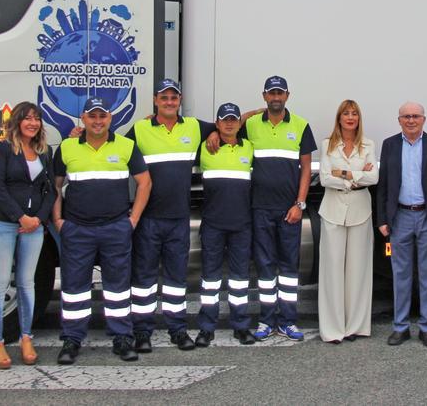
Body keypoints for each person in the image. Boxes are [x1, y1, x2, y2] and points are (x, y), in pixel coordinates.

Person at [51, 97, 152, 365]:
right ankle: (72, 339)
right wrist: (59, 220)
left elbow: (145, 183)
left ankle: (121, 338)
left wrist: (133, 220)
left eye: (102, 116)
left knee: (118, 288)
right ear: (83, 118)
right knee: (74, 288)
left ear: (110, 118)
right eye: (92, 116)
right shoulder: (67, 147)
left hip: (115, 228)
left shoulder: (126, 146)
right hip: (78, 229)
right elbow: (55, 187)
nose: (97, 121)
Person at [123, 79, 216, 352]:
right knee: (144, 281)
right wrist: (78, 133)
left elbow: (228, 127)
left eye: (173, 98)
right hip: (149, 219)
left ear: (180, 100)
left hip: (178, 218)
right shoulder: (140, 129)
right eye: (164, 98)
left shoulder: (194, 127)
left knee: (176, 280)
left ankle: (178, 330)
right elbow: (112, 148)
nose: (169, 102)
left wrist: (212, 134)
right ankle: (142, 332)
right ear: (155, 100)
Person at [240, 76, 316, 341]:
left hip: (289, 211)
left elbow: (306, 168)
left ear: (287, 95)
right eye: (271, 93)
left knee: (288, 268)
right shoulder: (250, 125)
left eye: (280, 93)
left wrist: (300, 204)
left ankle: (287, 321)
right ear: (264, 96)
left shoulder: (301, 125)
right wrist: (252, 112)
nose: (276, 97)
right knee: (264, 268)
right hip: (259, 208)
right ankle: (266, 320)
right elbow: (226, 127)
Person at [376, 102, 427, 348]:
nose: (411, 120)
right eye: (406, 116)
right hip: (400, 218)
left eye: (415, 116)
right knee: (401, 275)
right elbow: (383, 186)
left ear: (424, 119)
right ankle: (400, 327)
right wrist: (383, 219)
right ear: (399, 120)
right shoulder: (390, 145)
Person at [0, 101, 55, 369]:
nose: (33, 123)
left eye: (37, 119)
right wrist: (20, 217)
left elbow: (50, 190)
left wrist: (38, 219)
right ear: (17, 122)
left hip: (34, 227)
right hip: (3, 223)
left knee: (27, 284)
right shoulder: (4, 149)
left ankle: (26, 338)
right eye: (27, 118)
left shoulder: (43, 151)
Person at [195, 103, 260, 347]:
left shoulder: (250, 148)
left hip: (242, 224)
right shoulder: (204, 147)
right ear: (217, 123)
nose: (230, 123)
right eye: (225, 120)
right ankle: (206, 328)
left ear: (239, 123)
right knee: (210, 279)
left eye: (234, 119)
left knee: (240, 280)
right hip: (213, 224)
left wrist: (254, 112)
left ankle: (241, 327)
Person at [317, 100, 378, 344]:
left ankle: (355, 326)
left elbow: (373, 177)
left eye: (354, 113)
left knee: (358, 270)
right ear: (339, 118)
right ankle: (333, 329)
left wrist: (341, 173)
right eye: (346, 113)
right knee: (332, 271)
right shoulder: (327, 145)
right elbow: (323, 178)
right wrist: (354, 177)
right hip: (332, 210)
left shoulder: (368, 144)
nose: (350, 117)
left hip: (360, 210)